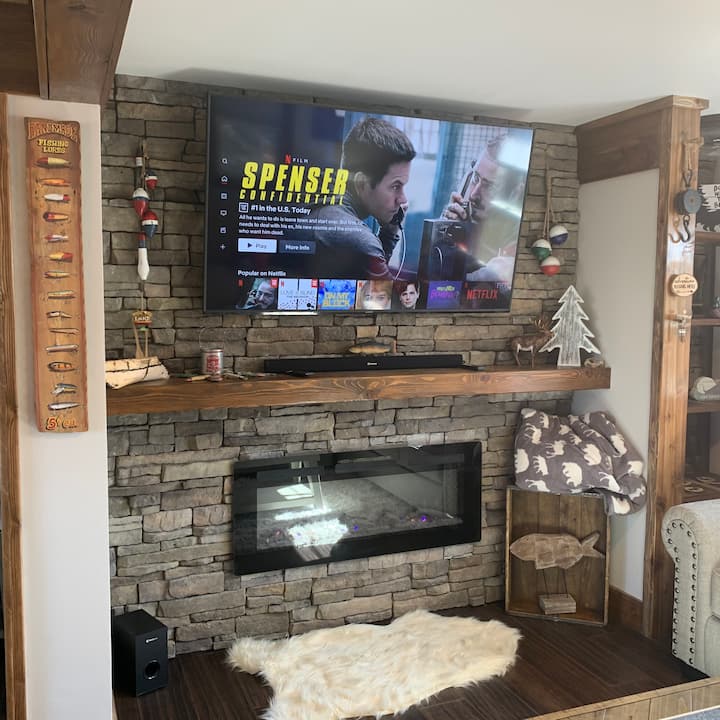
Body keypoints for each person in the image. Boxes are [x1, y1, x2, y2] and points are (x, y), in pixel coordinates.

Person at [303, 117, 416, 280]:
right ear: (362, 183)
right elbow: (387, 294)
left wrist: (389, 233)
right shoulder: (358, 239)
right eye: (395, 186)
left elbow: (367, 281)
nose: (403, 199)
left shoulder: (322, 198)